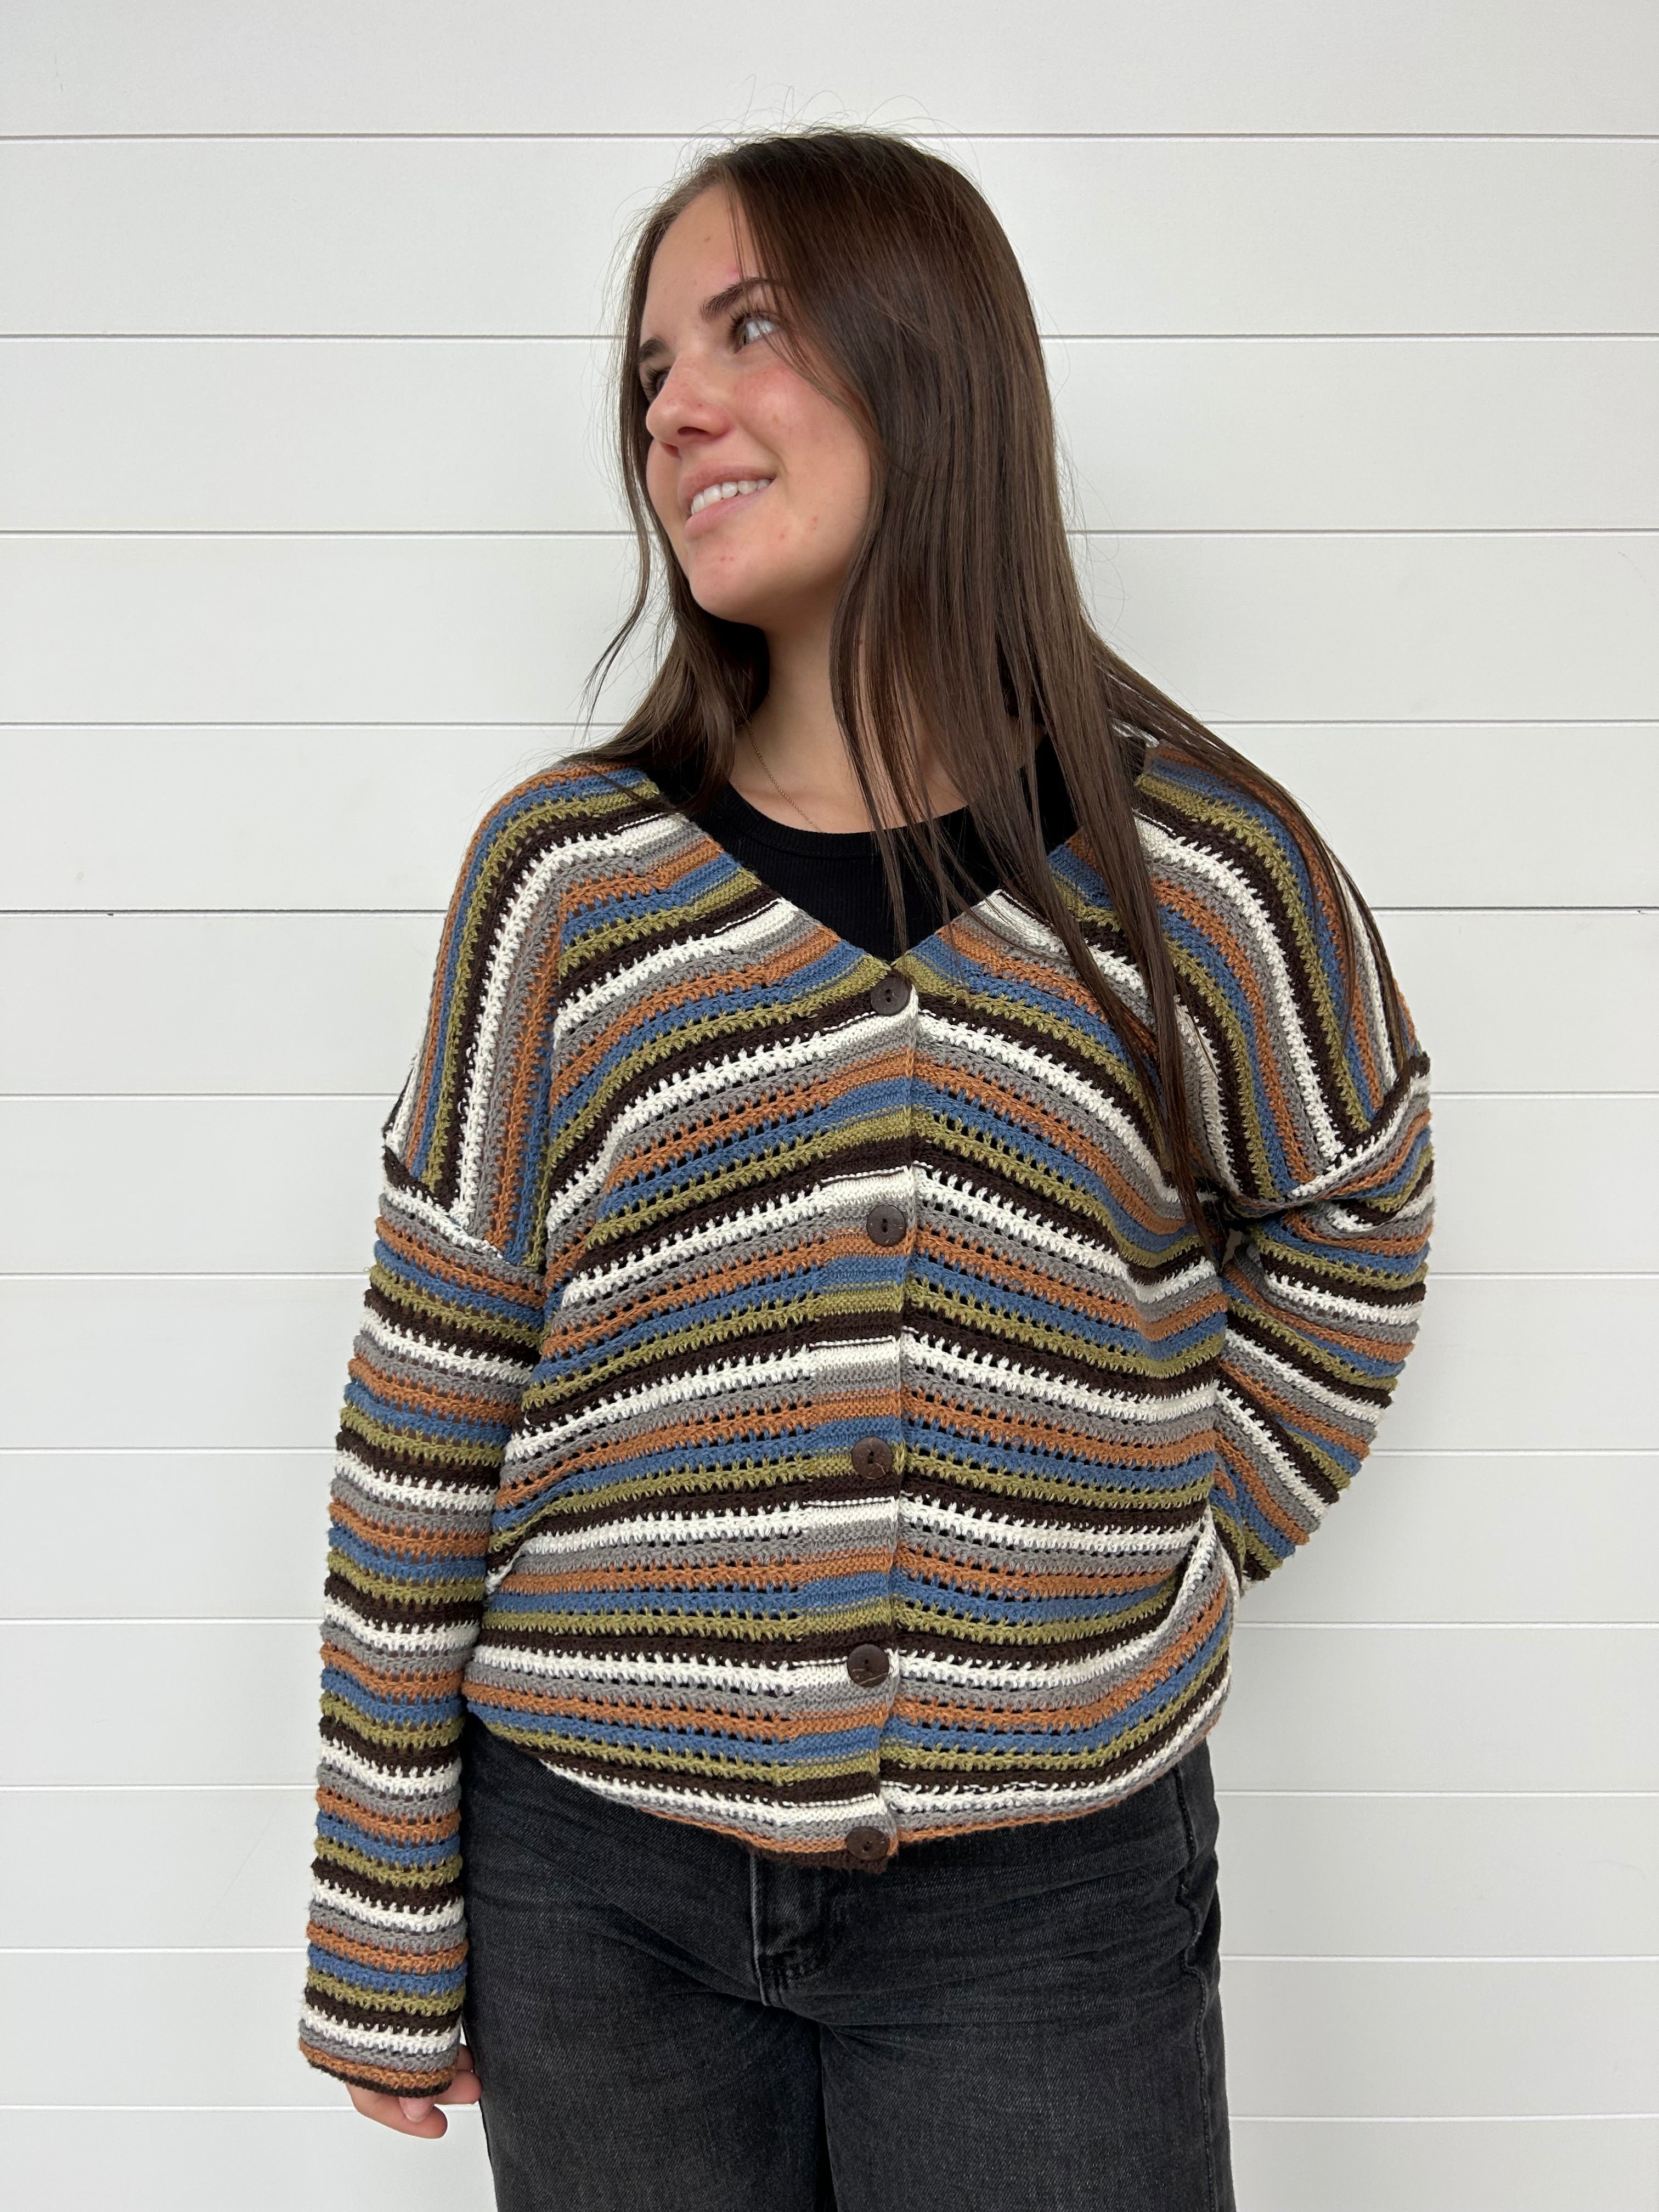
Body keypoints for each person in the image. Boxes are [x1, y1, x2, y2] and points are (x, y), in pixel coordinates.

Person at [296, 127, 1434, 2212]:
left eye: (751, 328)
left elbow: (1355, 1210)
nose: (676, 410)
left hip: (1048, 1901)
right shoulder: (567, 881)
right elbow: (431, 1387)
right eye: (653, 367)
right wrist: (381, 1906)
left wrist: (1168, 1530)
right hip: (595, 1886)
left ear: (934, 359)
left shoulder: (1201, 871)